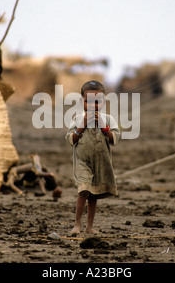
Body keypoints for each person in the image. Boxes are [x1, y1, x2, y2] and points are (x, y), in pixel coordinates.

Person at [65, 80, 120, 235]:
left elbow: (114, 138)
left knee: (93, 193)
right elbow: (70, 139)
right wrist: (79, 129)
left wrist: (104, 128)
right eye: (88, 101)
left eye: (97, 102)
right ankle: (77, 224)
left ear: (103, 102)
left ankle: (89, 227)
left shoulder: (108, 119)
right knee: (83, 190)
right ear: (82, 101)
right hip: (82, 161)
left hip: (101, 162)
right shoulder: (77, 119)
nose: (93, 105)